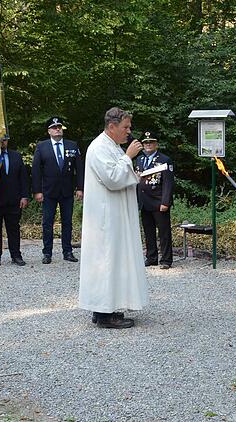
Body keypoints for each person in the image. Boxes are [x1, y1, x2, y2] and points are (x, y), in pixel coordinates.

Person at [78, 107, 148, 329]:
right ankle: (105, 313)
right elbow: (112, 178)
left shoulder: (113, 147)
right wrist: (129, 157)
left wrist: (133, 174)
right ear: (112, 126)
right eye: (126, 127)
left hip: (114, 216)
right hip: (105, 219)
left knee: (113, 260)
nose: (129, 131)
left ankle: (104, 308)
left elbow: (119, 175)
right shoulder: (99, 147)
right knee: (106, 261)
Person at [31, 117, 84, 264]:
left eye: (59, 127)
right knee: (47, 223)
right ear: (49, 131)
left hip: (67, 191)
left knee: (67, 222)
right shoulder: (42, 147)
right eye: (54, 127)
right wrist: (37, 191)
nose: (58, 129)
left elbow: (79, 169)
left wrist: (80, 188)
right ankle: (47, 253)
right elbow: (36, 171)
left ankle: (67, 251)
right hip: (48, 191)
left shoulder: (72, 145)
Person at [0, 136, 29, 266]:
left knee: (13, 229)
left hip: (13, 200)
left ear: (8, 141)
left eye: (4, 140)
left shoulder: (16, 156)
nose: (2, 142)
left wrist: (24, 196)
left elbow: (23, 178)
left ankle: (16, 255)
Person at [135, 131, 174, 269]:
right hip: (144, 202)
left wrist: (165, 202)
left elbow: (168, 183)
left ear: (156, 144)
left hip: (158, 201)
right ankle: (151, 257)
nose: (148, 144)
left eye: (151, 142)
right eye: (146, 142)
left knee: (163, 232)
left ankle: (166, 260)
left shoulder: (164, 160)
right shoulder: (139, 160)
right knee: (148, 231)